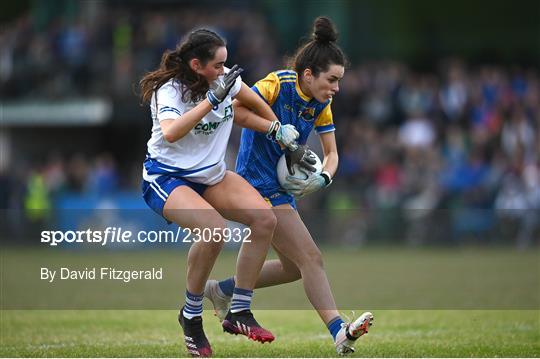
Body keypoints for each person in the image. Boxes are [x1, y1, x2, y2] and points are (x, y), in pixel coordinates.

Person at [204, 17, 374, 355]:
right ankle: (340, 332)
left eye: (339, 80)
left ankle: (221, 290)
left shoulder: (322, 103)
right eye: (332, 79)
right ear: (308, 74)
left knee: (294, 268)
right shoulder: (275, 84)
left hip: (280, 187)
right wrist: (275, 128)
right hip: (256, 181)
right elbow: (234, 112)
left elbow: (332, 154)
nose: (336, 88)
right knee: (312, 258)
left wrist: (323, 177)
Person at [139, 28, 305, 357]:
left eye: (226, 63)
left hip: (211, 176)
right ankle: (191, 317)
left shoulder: (224, 77)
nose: (224, 71)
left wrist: (280, 133)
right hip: (167, 177)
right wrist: (212, 101)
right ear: (197, 65)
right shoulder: (168, 90)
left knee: (264, 220)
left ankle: (239, 310)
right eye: (217, 65)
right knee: (214, 231)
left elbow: (253, 103)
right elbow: (172, 133)